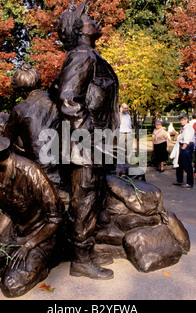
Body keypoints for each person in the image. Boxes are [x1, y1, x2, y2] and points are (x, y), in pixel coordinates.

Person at [49, 2, 119, 280]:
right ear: (79, 29)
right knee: (85, 199)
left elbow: (58, 89)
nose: (95, 20)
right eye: (89, 19)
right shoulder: (82, 55)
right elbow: (68, 97)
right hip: (87, 144)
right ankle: (80, 258)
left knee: (91, 197)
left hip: (93, 141)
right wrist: (88, 136)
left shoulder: (87, 54)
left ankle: (86, 250)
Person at [0, 128, 65, 297]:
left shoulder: (30, 172)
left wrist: (29, 245)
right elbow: (9, 209)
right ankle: (8, 263)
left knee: (11, 286)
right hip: (17, 232)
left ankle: (40, 264)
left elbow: (55, 218)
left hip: (42, 236)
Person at [172, 113, 195, 188]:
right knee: (180, 164)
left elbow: (187, 139)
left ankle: (189, 182)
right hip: (183, 146)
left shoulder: (188, 128)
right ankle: (179, 180)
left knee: (187, 164)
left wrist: (183, 147)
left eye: (183, 120)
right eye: (180, 120)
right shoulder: (184, 128)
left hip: (186, 146)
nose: (181, 121)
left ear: (186, 120)